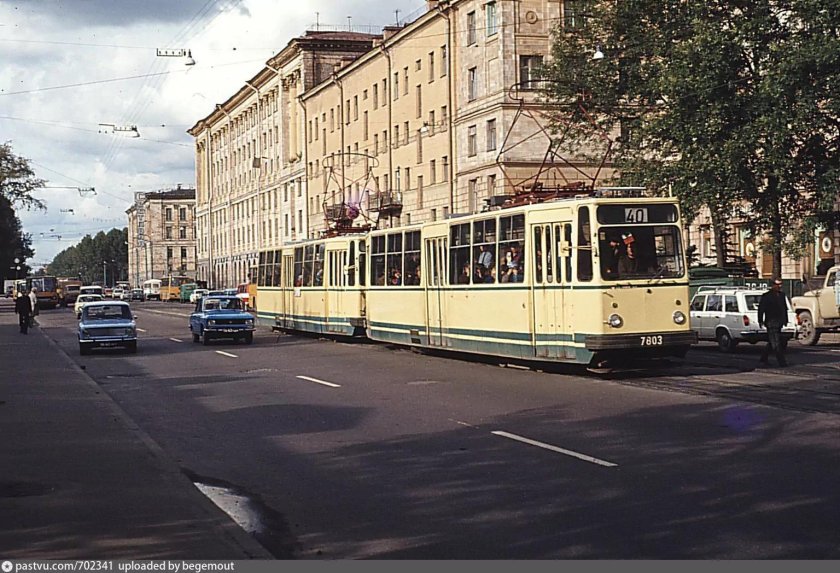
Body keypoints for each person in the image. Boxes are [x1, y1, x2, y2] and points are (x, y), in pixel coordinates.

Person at [757, 278, 789, 367]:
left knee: (772, 341)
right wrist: (760, 320)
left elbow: (784, 308)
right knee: (776, 342)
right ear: (773, 285)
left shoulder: (782, 295)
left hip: (779, 322)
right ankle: (781, 362)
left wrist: (785, 319)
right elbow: (761, 309)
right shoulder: (766, 296)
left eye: (781, 284)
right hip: (771, 322)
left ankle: (763, 358)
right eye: (778, 284)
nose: (780, 286)